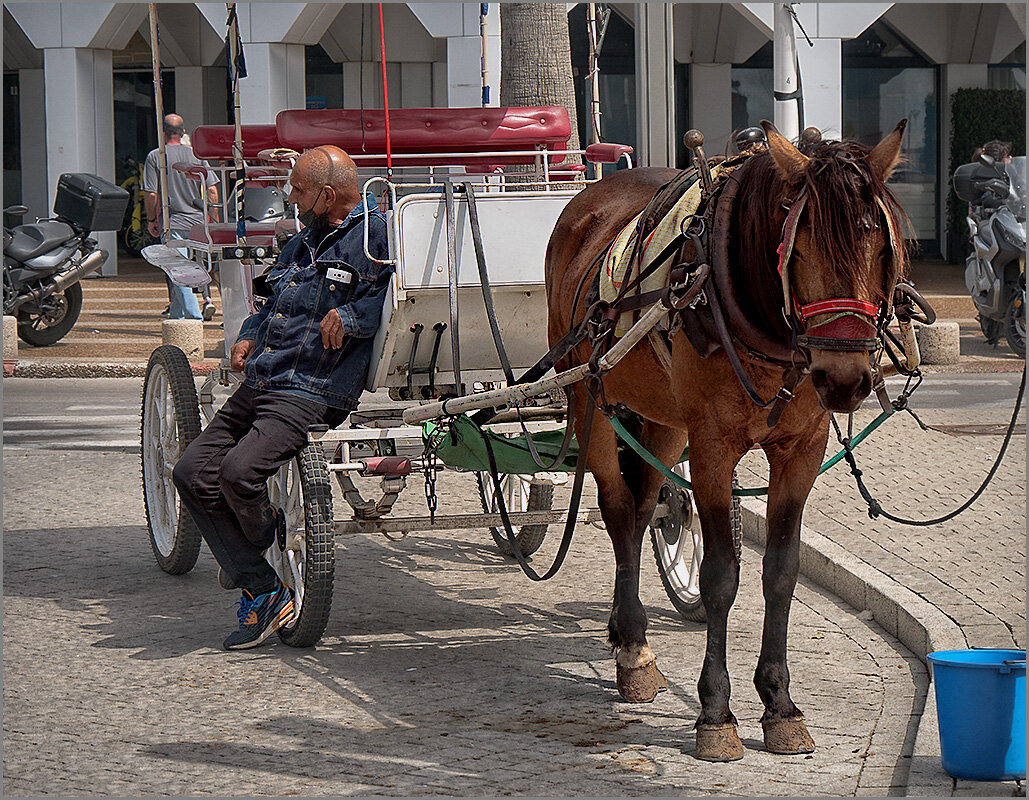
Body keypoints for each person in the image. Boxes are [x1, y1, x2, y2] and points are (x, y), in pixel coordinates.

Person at [172, 145, 392, 650]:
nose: (290, 198)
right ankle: (262, 580)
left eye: (297, 189)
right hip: (265, 376)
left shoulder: (376, 236)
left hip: (312, 386)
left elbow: (395, 292)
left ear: (328, 194)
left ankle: (253, 560)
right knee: (190, 472)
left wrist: (354, 317)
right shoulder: (302, 242)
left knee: (237, 474)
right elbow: (270, 298)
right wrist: (249, 332)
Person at [143, 113, 220, 321]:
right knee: (190, 267)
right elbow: (212, 190)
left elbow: (151, 194)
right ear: (183, 132)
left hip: (173, 221)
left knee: (178, 271)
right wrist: (214, 218)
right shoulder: (197, 155)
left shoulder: (156, 156)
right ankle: (177, 316)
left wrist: (151, 220)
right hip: (198, 222)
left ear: (163, 132)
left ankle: (194, 316)